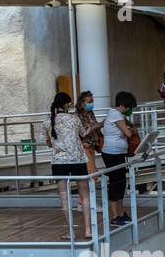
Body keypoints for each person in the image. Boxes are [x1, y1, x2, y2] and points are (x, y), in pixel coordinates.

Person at [43, 91, 94, 241]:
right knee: (85, 195)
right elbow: (83, 134)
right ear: (66, 105)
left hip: (59, 162)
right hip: (77, 159)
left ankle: (70, 232)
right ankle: (88, 230)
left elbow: (47, 142)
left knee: (64, 198)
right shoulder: (74, 118)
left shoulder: (47, 122)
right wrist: (93, 127)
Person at [100, 91, 138, 228]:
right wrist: (133, 130)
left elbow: (125, 123)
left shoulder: (116, 114)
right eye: (129, 107)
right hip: (112, 153)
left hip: (118, 153)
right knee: (116, 183)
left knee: (121, 183)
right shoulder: (115, 114)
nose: (129, 110)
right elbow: (127, 133)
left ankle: (121, 213)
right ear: (123, 105)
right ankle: (115, 215)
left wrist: (129, 125)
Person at [74, 90, 103, 172]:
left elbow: (95, 125)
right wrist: (95, 126)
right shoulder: (77, 116)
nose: (92, 103)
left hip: (92, 145)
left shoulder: (90, 113)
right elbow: (81, 132)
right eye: (89, 101)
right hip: (84, 146)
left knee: (93, 169)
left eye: (92, 101)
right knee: (92, 171)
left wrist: (100, 125)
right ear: (82, 103)